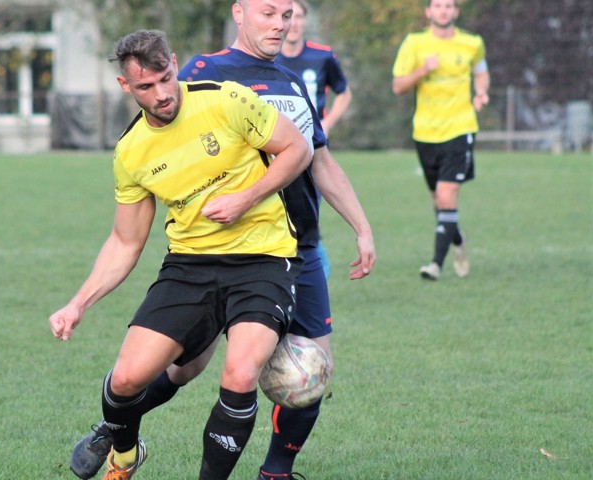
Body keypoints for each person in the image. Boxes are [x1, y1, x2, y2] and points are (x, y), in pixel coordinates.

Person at [69, 2, 376, 480]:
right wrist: (79, 301)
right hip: (204, 255)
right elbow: (132, 228)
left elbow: (315, 156)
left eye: (287, 13)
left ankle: (276, 471)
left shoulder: (289, 80)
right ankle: (118, 430)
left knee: (306, 373)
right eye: (269, 12)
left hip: (289, 248)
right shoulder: (205, 77)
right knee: (181, 368)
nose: (280, 23)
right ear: (240, 13)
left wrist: (360, 224)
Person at [392, 0, 489, 280]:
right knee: (439, 201)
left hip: (460, 128)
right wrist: (423, 70)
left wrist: (481, 92)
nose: (444, 10)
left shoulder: (472, 43)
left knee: (446, 196)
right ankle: (457, 238)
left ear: (456, 12)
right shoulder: (414, 43)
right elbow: (398, 86)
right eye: (438, 5)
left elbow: (481, 72)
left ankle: (435, 264)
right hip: (425, 132)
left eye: (449, 6)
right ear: (428, 12)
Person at [276, 0, 354, 279]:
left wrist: (328, 121)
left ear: (305, 21)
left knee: (307, 215)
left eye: (298, 17)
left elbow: (344, 92)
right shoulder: (268, 59)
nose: (293, 23)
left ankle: (314, 271)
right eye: (288, 17)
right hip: (276, 148)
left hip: (312, 148)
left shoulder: (322, 56)